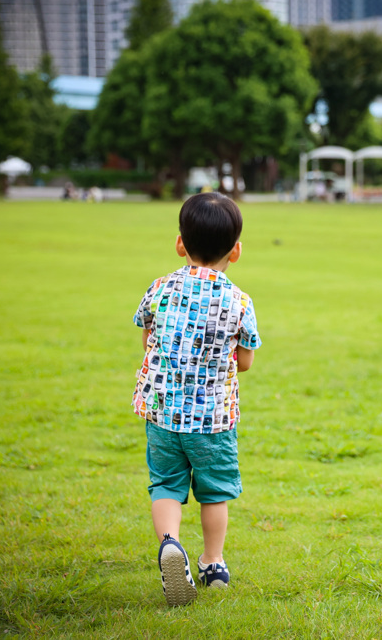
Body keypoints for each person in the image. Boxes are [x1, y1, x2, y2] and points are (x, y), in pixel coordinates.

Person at [132, 192, 262, 606]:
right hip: (213, 419)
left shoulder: (160, 288)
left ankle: (171, 543)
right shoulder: (239, 301)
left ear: (180, 244)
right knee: (214, 491)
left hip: (164, 412)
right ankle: (213, 561)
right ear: (236, 251)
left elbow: (147, 339)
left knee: (166, 484)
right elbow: (244, 362)